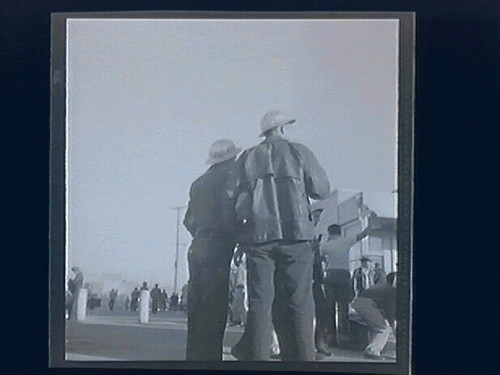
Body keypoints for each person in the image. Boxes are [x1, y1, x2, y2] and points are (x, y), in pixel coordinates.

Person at [228, 110, 330, 361]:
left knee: (260, 303)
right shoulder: (299, 151)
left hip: (259, 239)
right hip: (298, 237)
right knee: (300, 301)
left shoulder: (248, 156)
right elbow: (321, 189)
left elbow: (232, 197)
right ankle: (302, 359)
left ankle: (259, 359)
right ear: (282, 129)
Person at [183, 139, 240, 361]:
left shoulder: (198, 182)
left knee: (196, 307)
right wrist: (234, 238)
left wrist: (201, 234)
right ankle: (209, 360)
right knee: (214, 308)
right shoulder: (229, 178)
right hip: (218, 247)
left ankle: (194, 358)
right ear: (230, 158)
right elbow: (229, 217)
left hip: (197, 245)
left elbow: (188, 221)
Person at [321, 223, 372, 347]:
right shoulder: (346, 241)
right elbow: (363, 234)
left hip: (330, 275)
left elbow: (321, 258)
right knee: (343, 307)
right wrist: (370, 223)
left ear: (330, 233)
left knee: (330, 308)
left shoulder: (326, 245)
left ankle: (331, 337)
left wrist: (327, 260)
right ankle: (345, 335)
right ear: (340, 232)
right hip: (343, 275)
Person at [350, 272, 396, 360]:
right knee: (383, 328)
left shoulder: (384, 286)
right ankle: (372, 351)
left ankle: (374, 350)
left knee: (377, 327)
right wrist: (392, 326)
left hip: (360, 302)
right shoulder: (391, 290)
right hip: (366, 303)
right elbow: (390, 310)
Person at [310, 208, 332, 358]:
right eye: (315, 216)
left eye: (319, 217)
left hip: (316, 279)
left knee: (321, 311)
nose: (318, 219)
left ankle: (320, 343)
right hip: (303, 279)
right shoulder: (302, 233)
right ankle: (309, 345)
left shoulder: (315, 237)